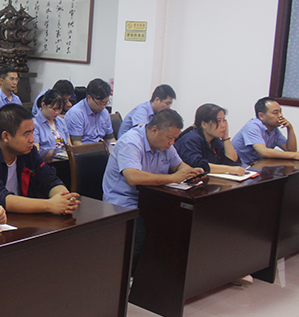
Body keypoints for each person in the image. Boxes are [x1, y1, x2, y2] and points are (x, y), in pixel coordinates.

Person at [103, 109, 204, 271]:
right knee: (143, 233)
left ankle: (159, 274)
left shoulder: (165, 145)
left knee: (181, 222)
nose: (172, 143)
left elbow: (179, 165)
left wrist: (191, 173)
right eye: (170, 138)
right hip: (123, 203)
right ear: (154, 130)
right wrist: (173, 178)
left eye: (175, 139)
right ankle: (129, 277)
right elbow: (133, 177)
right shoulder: (131, 142)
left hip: (152, 199)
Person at [0, 104, 80, 215]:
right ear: (6, 136)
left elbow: (48, 179)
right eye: (26, 134)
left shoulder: (28, 152)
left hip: (25, 217)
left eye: (33, 132)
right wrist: (50, 205)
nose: (32, 139)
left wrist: (64, 198)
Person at [232, 97, 299, 164]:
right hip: (240, 166)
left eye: (280, 112)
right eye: (275, 113)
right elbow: (263, 152)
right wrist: (295, 155)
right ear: (261, 116)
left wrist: (290, 128)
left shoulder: (274, 129)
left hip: (258, 165)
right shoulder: (253, 126)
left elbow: (291, 151)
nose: (280, 116)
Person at [174, 104, 246, 175]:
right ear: (204, 124)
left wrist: (225, 137)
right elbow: (199, 165)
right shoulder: (191, 139)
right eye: (218, 121)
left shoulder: (215, 139)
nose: (223, 125)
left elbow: (233, 163)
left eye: (224, 120)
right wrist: (229, 169)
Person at [64, 78, 115, 145]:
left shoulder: (104, 112)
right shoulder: (76, 113)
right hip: (84, 149)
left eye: (106, 103)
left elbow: (110, 139)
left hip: (102, 148)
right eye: (100, 103)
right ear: (89, 98)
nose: (103, 106)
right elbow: (76, 144)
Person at [33, 90, 70, 159]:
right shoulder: (34, 123)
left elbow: (69, 145)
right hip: (47, 160)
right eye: (54, 109)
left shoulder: (61, 121)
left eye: (60, 109)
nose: (57, 112)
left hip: (64, 159)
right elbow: (36, 152)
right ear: (44, 105)